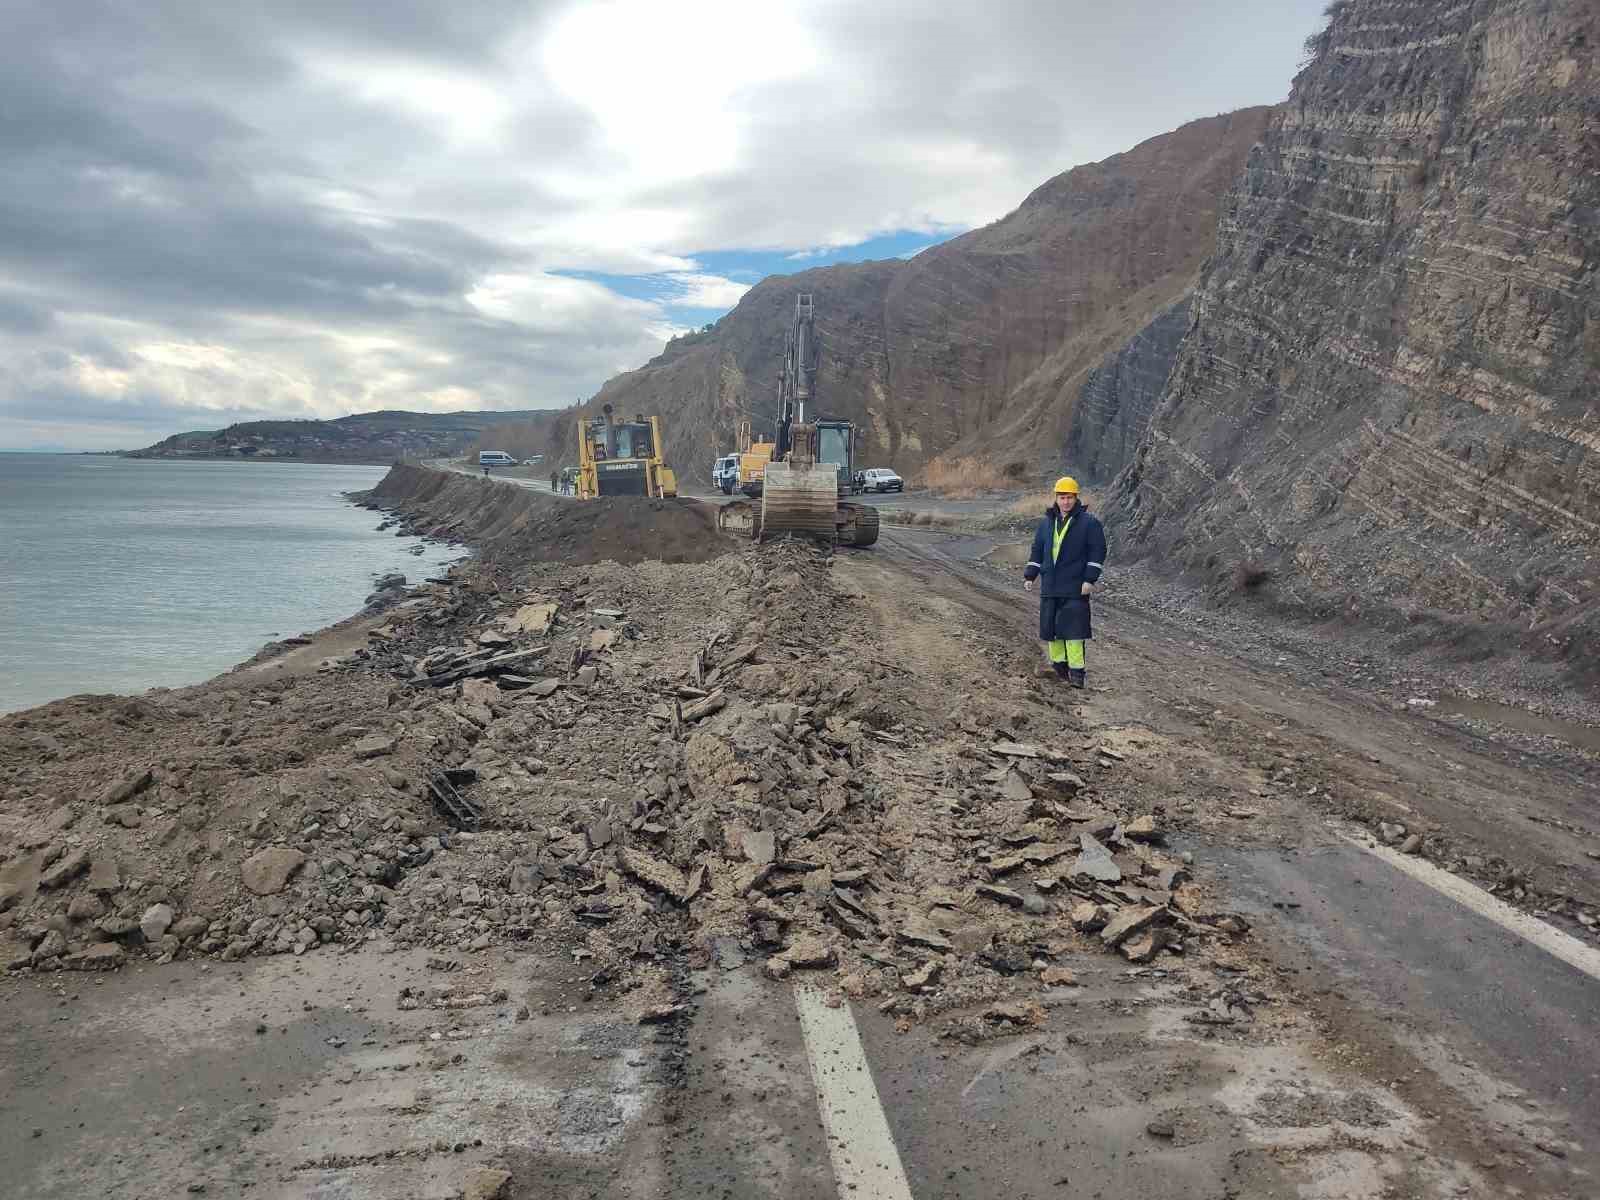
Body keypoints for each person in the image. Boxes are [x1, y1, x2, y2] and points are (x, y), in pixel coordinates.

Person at [1022, 476, 1106, 689]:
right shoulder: (1046, 523)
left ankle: (1077, 675)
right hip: (1050, 586)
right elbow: (1037, 550)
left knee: (1074, 631)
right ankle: (1059, 670)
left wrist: (1089, 580)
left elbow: (1097, 552)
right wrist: (1030, 575)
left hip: (1075, 587)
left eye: (1069, 497)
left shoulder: (1090, 523)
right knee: (1052, 630)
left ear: (1076, 498)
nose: (1066, 501)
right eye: (1062, 497)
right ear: (1056, 498)